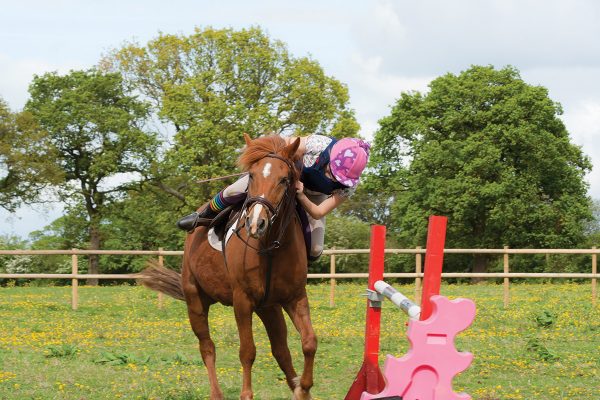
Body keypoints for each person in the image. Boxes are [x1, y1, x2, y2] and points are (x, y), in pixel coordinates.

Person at [177, 134, 370, 260]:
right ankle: (203, 216)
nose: (332, 178)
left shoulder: (349, 185)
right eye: (332, 171)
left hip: (312, 197)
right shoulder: (315, 145)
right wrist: (277, 175)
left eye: (338, 177)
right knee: (232, 191)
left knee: (316, 250)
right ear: (331, 156)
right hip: (280, 178)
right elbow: (280, 149)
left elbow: (318, 212)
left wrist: (301, 194)